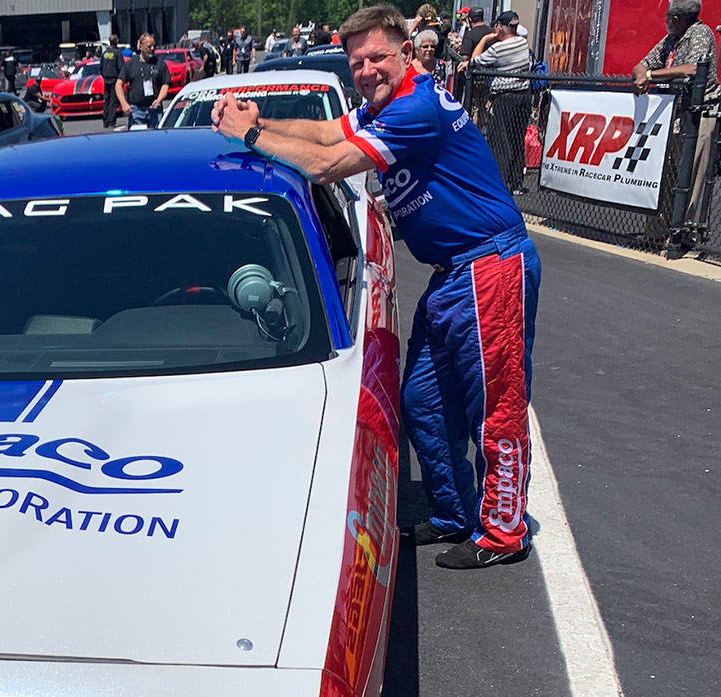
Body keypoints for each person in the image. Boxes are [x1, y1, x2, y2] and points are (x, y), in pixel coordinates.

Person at [211, 4, 540, 570]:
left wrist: (254, 133)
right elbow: (324, 131)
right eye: (357, 60)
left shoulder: (414, 106)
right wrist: (261, 120)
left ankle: (504, 532)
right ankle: (455, 513)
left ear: (405, 52)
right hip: (452, 273)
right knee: (423, 401)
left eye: (378, 56)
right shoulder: (381, 106)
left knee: (496, 404)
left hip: (488, 266)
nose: (367, 69)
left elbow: (326, 162)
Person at [633, 0, 720, 228]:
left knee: (691, 174)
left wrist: (651, 76)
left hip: (701, 111)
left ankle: (683, 231)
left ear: (677, 19)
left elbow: (693, 68)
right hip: (675, 112)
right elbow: (642, 64)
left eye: (668, 18)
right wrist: (642, 74)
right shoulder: (671, 39)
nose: (666, 22)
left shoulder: (700, 33)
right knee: (664, 172)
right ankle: (656, 232)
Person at [471, 11, 533, 194]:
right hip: (523, 96)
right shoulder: (522, 43)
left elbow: (475, 60)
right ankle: (516, 183)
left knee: (500, 141)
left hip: (505, 98)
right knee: (517, 140)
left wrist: (485, 39)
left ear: (499, 27)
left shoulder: (498, 49)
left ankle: (500, 184)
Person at [117, 33, 171, 129]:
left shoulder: (160, 64)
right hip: (136, 110)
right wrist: (124, 104)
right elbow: (118, 84)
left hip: (155, 110)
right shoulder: (131, 64)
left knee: (156, 139)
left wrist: (159, 100)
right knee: (138, 141)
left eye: (154, 46)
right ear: (140, 47)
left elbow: (165, 84)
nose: (152, 48)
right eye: (149, 46)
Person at [100, 36, 124, 128]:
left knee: (106, 101)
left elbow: (101, 67)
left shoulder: (105, 53)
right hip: (114, 79)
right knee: (113, 101)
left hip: (106, 79)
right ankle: (111, 121)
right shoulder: (117, 53)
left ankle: (105, 120)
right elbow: (121, 67)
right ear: (117, 42)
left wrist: (104, 75)